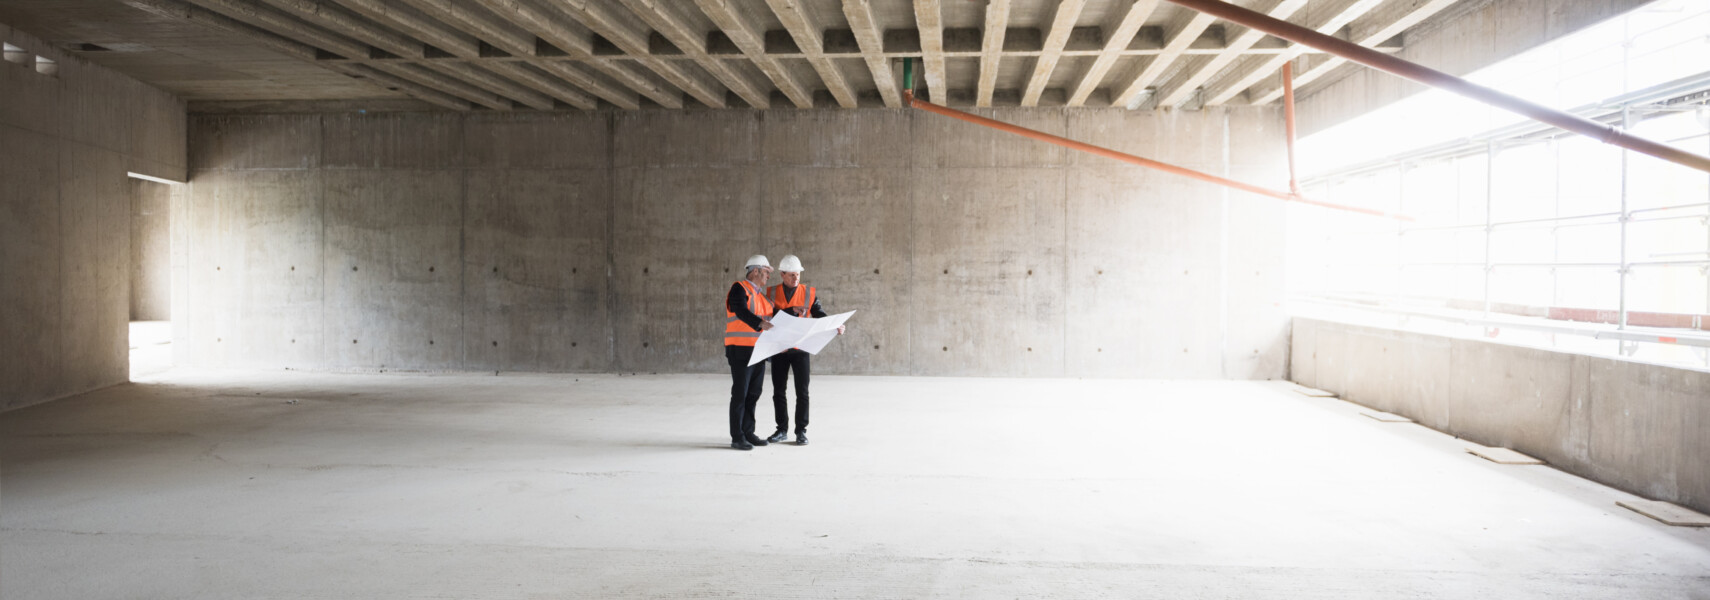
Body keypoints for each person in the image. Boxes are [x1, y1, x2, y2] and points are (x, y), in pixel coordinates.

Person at [764, 255, 842, 446]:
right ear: (782, 275)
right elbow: (767, 317)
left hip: (801, 349)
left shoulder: (809, 293)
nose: (795, 278)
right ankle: (781, 430)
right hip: (780, 349)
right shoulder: (771, 293)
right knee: (779, 391)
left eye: (797, 274)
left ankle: (801, 431)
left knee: (803, 392)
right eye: (791, 275)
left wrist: (834, 326)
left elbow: (819, 315)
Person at [725, 255, 777, 451]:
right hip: (740, 349)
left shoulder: (761, 296)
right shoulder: (739, 288)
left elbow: (773, 316)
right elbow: (738, 309)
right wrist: (759, 323)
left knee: (754, 393)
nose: (768, 277)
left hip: (759, 350)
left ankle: (748, 432)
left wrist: (795, 314)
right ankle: (737, 437)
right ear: (755, 271)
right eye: (766, 272)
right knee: (740, 393)